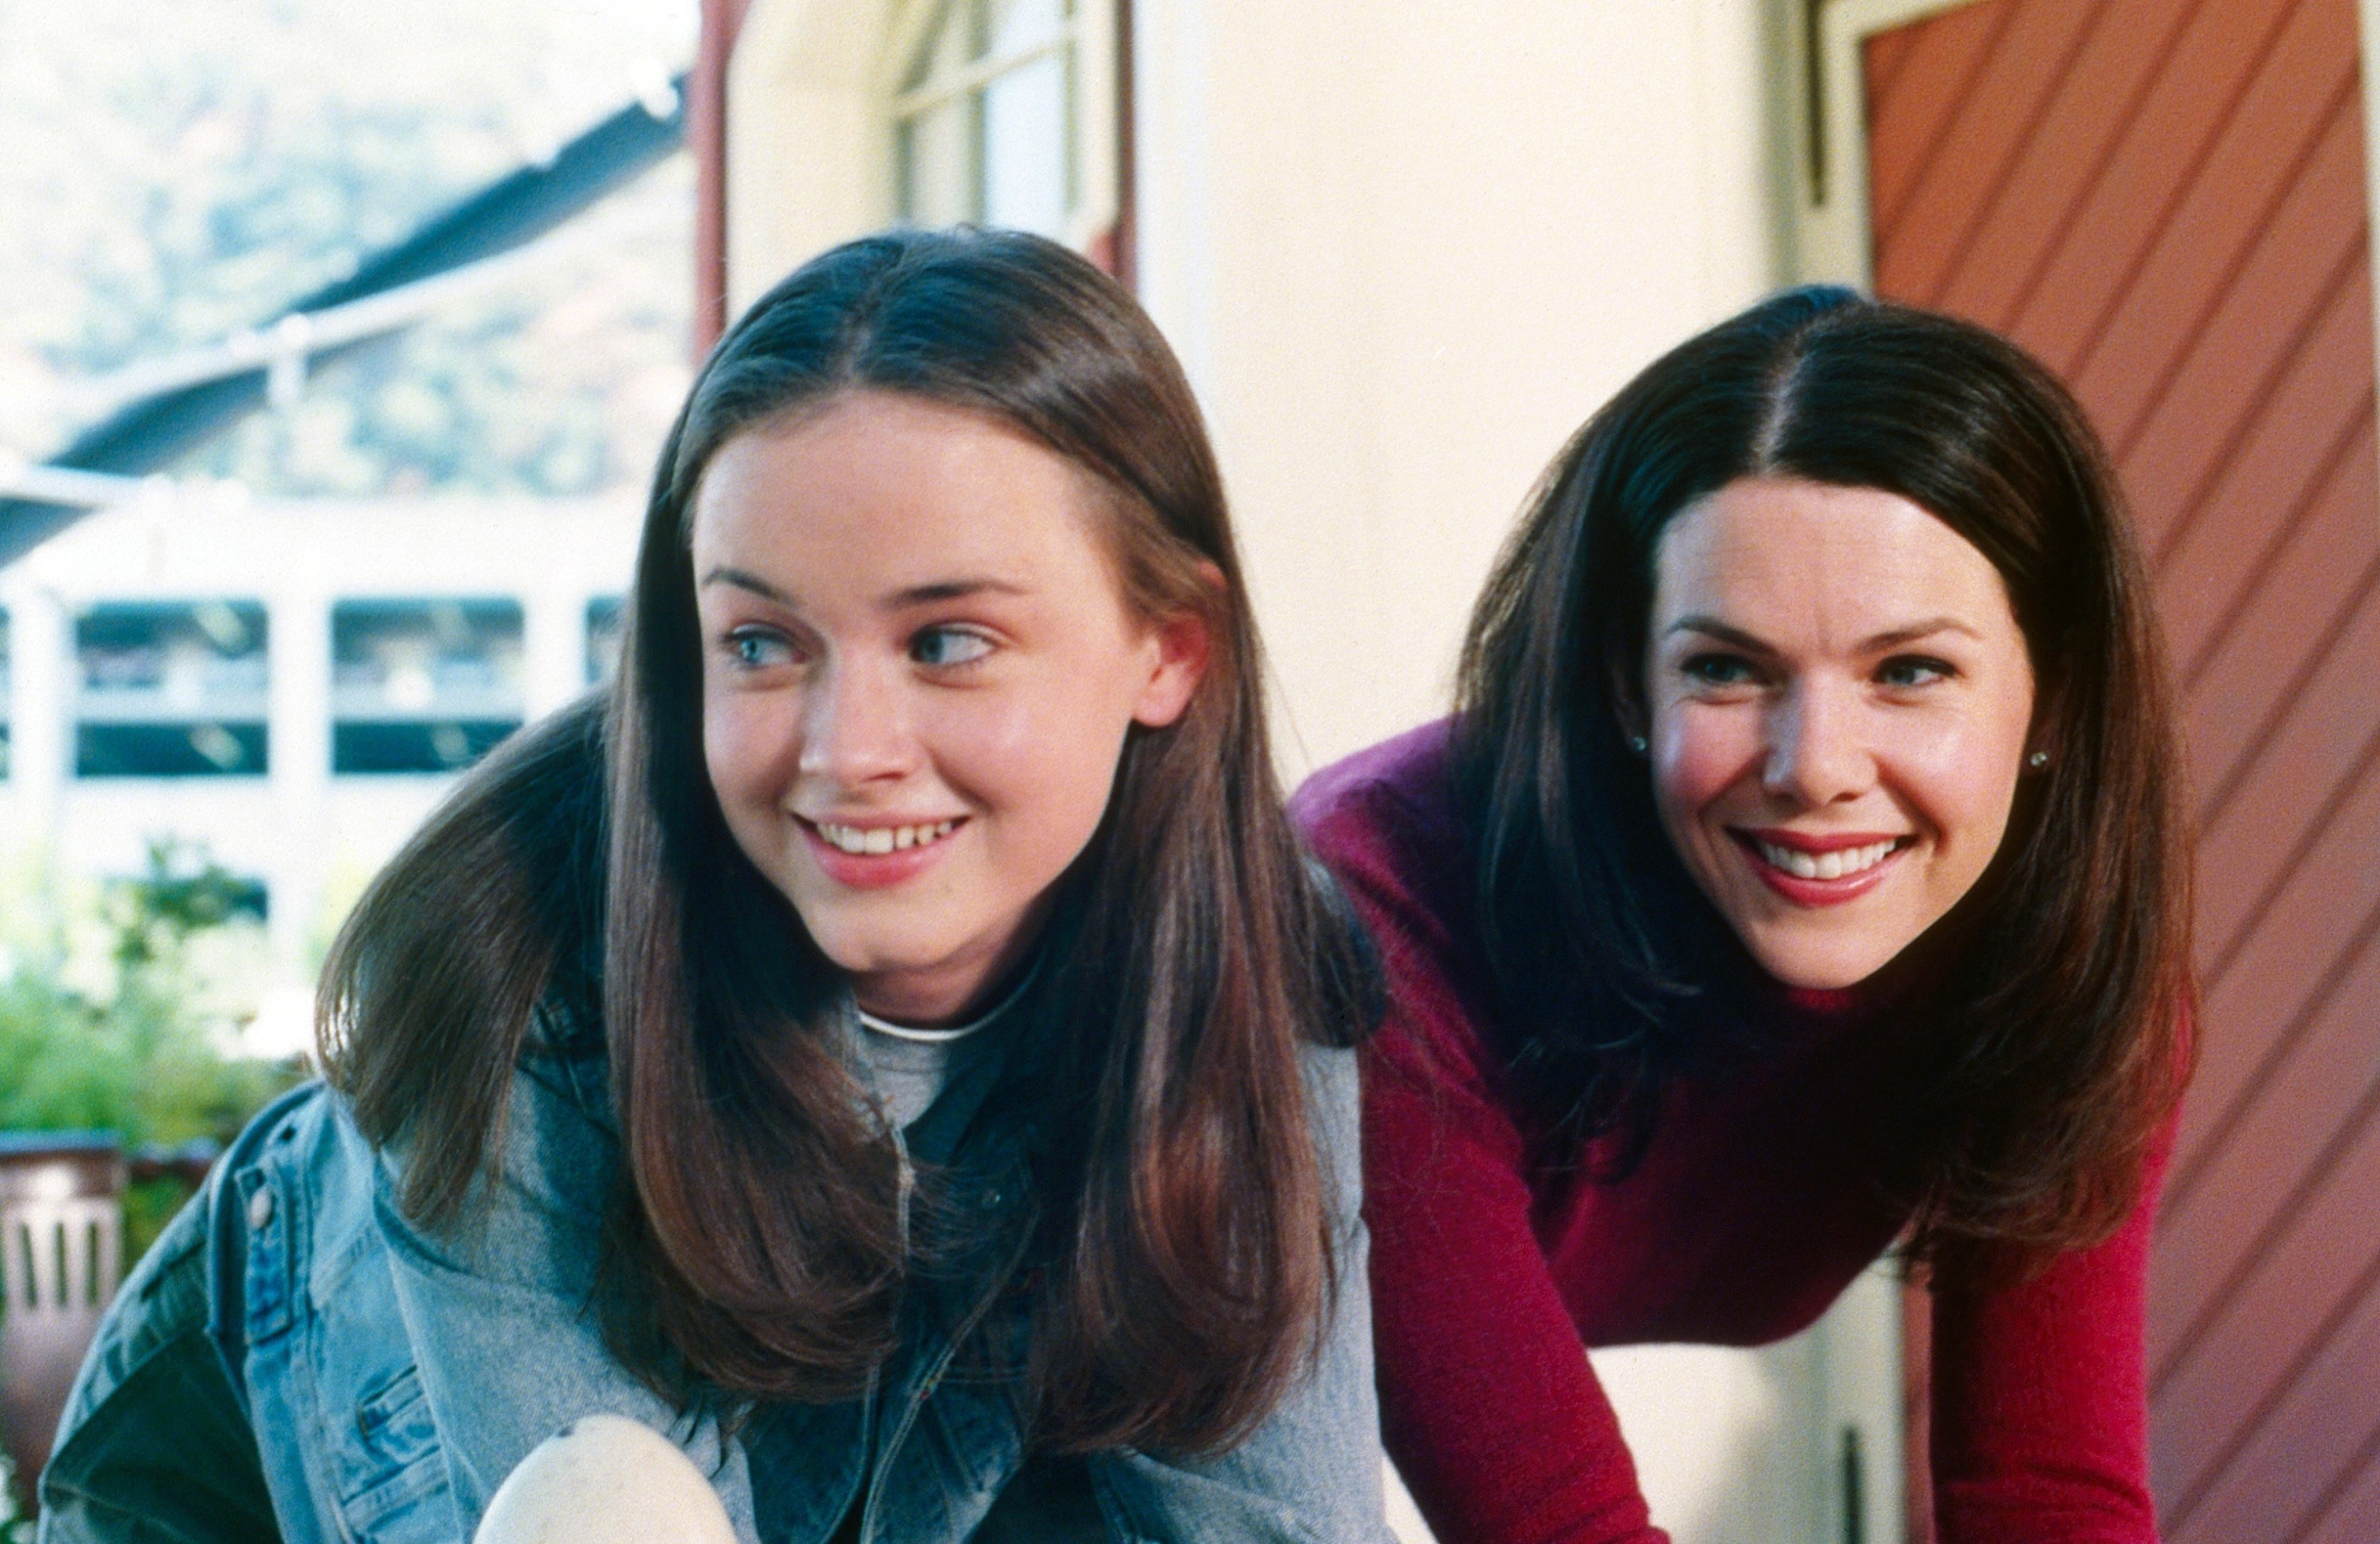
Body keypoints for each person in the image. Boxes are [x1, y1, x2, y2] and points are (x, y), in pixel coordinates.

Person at [41, 227, 1391, 1544]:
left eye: (949, 641)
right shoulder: (513, 959)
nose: (846, 750)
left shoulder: (1252, 965)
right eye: (760, 640)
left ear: (1169, 648)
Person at [1294, 286, 2194, 1543]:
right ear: (1624, 682)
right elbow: (1558, 1532)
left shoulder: (2064, 950)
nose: (1815, 765)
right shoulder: (1368, 917)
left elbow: (2047, 1502)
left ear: (2052, 699)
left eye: (1911, 670)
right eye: (1726, 667)